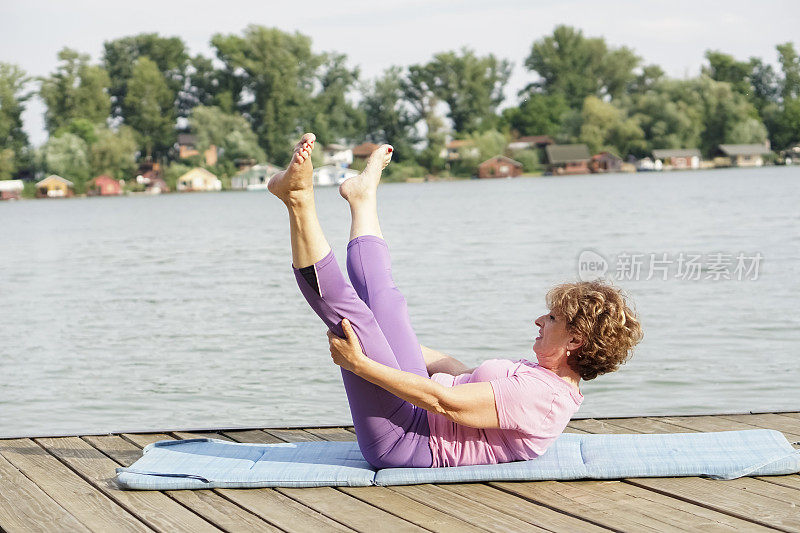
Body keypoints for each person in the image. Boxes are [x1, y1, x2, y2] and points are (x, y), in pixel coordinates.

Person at [268, 133, 643, 468]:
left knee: (354, 320)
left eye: (552, 318)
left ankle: (297, 199)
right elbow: (456, 370)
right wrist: (390, 338)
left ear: (575, 340)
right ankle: (362, 198)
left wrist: (361, 363)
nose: (539, 321)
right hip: (418, 409)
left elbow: (443, 403)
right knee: (388, 306)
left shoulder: (542, 398)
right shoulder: (541, 375)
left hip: (407, 440)